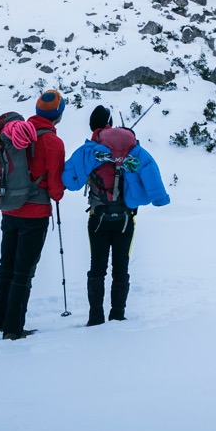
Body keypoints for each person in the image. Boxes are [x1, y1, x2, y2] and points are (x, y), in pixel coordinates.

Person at [62, 105, 170, 325]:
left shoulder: (90, 150)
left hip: (98, 217)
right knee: (121, 267)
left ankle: (95, 317)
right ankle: (118, 314)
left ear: (94, 126)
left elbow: (70, 181)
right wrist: (160, 198)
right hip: (126, 218)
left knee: (97, 267)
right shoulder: (133, 148)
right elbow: (152, 176)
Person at [0, 89, 66, 340]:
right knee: (23, 273)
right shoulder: (53, 142)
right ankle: (13, 330)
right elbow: (55, 190)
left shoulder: (13, 134)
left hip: (10, 209)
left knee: (6, 268)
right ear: (59, 115)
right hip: (35, 216)